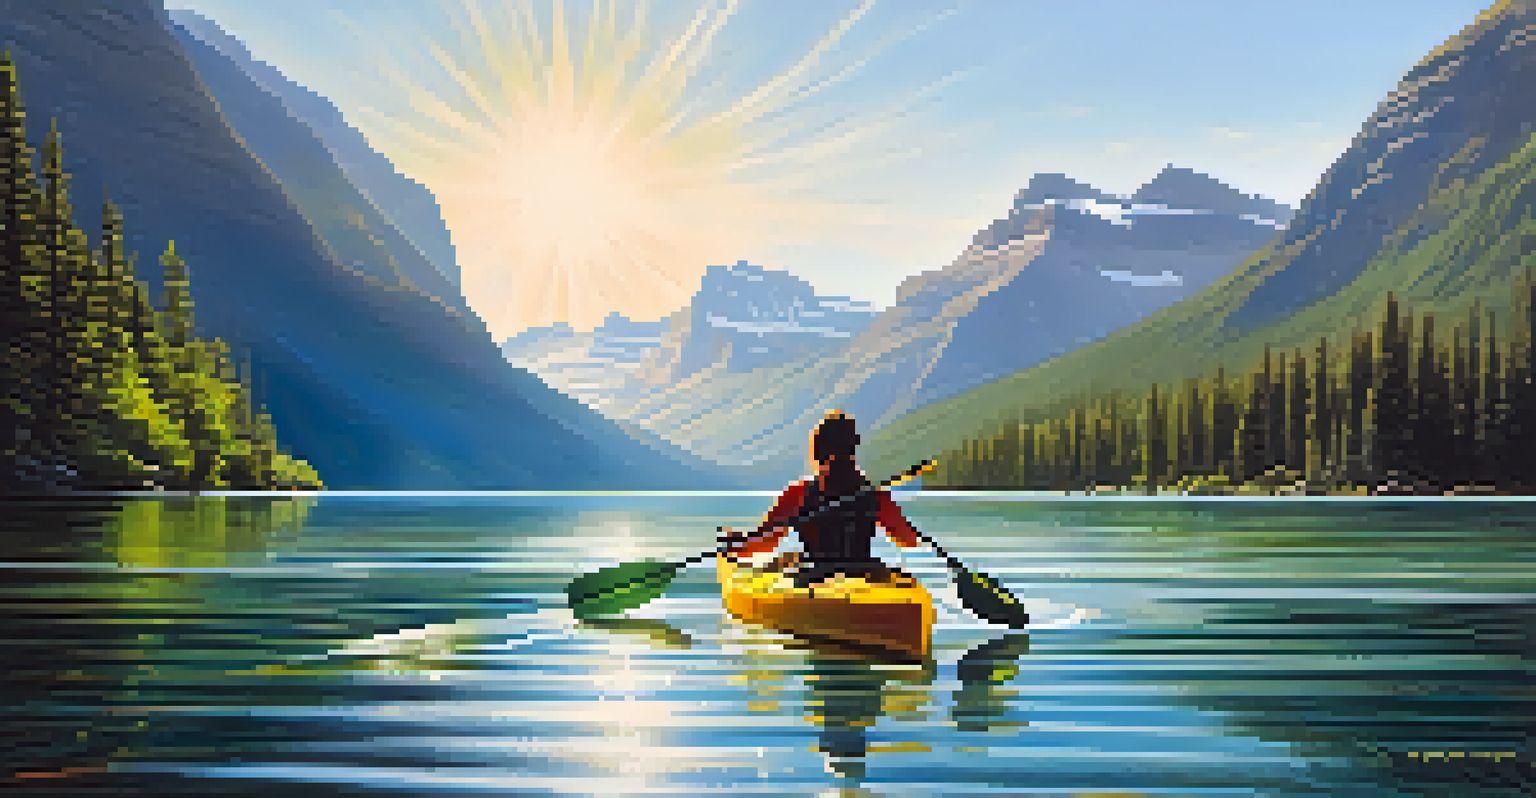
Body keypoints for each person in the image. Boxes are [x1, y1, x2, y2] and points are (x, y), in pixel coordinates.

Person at [719, 410, 923, 588]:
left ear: (817, 451)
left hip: (815, 575)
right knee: (788, 558)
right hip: (864, 570)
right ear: (853, 449)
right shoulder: (875, 495)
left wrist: (734, 545)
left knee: (785, 561)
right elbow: (909, 540)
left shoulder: (799, 494)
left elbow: (763, 544)